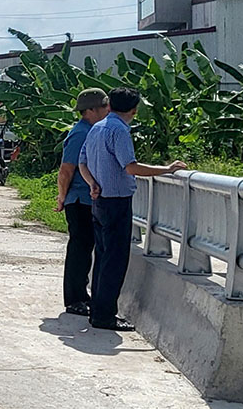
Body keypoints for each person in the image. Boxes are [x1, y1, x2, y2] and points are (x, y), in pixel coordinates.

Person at [78, 87, 186, 331]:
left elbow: (82, 162)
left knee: (103, 257)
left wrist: (92, 183)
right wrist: (167, 169)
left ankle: (97, 311)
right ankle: (105, 316)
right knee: (114, 261)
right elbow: (131, 167)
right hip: (116, 201)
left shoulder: (97, 127)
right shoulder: (118, 130)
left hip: (99, 200)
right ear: (134, 110)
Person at [55, 88, 110, 317]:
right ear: (89, 111)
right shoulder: (81, 133)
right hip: (78, 200)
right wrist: (61, 198)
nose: (108, 110)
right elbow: (66, 170)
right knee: (79, 249)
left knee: (86, 249)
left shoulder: (94, 130)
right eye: (104, 107)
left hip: (88, 199)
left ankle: (81, 294)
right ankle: (74, 298)